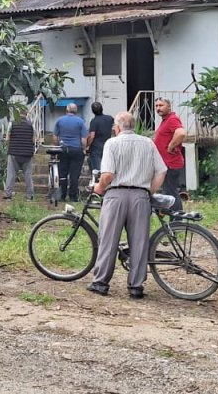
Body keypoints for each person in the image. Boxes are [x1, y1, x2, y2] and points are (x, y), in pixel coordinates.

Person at [87, 111, 166, 299]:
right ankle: (136, 286)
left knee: (108, 239)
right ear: (134, 126)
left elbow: (107, 175)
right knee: (139, 242)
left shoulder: (112, 143)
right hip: (140, 196)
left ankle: (101, 283)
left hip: (116, 195)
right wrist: (149, 191)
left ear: (117, 127)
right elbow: (162, 171)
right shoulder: (148, 143)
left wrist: (98, 188)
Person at [152, 98, 188, 214]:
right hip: (166, 163)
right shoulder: (166, 120)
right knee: (168, 192)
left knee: (171, 192)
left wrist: (171, 146)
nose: (158, 108)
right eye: (156, 106)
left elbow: (181, 133)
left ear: (169, 107)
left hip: (171, 163)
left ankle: (177, 219)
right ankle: (169, 215)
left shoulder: (172, 119)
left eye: (161, 105)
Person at [53, 103, 87, 201]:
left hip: (63, 149)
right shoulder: (80, 121)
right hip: (76, 149)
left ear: (66, 110)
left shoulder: (59, 120)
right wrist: (84, 149)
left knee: (62, 173)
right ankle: (73, 196)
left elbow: (55, 137)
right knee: (74, 174)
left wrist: (58, 146)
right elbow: (83, 138)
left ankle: (62, 195)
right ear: (76, 111)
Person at [4, 109, 37, 200]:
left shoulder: (12, 124)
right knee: (28, 175)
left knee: (11, 174)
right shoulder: (31, 125)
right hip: (27, 154)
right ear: (26, 114)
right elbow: (34, 140)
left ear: (17, 114)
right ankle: (29, 195)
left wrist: (10, 147)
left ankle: (8, 194)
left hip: (14, 153)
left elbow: (7, 139)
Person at [84, 101, 114, 180]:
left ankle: (97, 186)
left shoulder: (94, 121)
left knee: (97, 170)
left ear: (92, 111)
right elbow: (114, 128)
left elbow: (92, 135)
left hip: (96, 148)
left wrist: (87, 145)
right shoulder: (110, 118)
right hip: (107, 146)